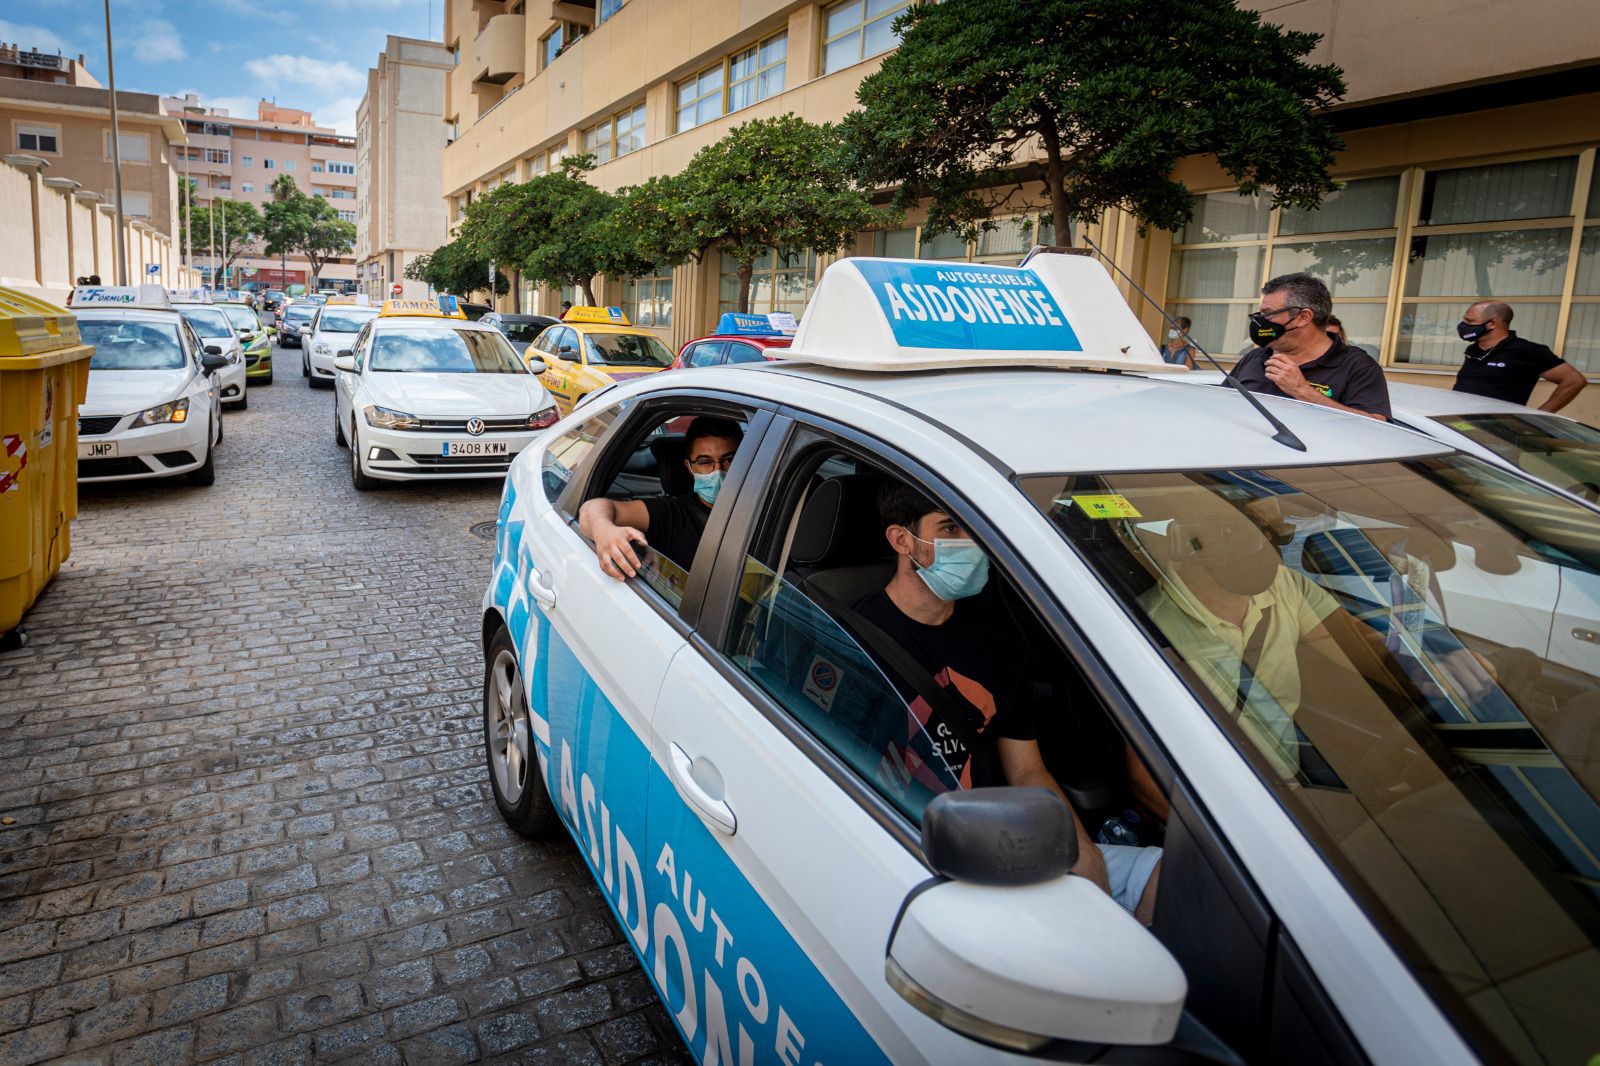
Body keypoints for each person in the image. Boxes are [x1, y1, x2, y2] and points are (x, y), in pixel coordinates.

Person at [853, 482, 1160, 922]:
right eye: (952, 528)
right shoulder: (854, 639)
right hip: (919, 851)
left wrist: (1080, 849)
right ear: (902, 540)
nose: (972, 544)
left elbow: (1027, 768)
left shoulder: (998, 639)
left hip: (1006, 838)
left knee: (1173, 877)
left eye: (976, 527)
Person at [580, 416, 743, 580]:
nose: (718, 470)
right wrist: (604, 531)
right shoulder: (672, 514)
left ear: (746, 460)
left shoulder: (764, 507)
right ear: (689, 467)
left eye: (729, 460)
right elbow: (591, 509)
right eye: (705, 462)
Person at [1231, 273, 1391, 421]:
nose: (1261, 321)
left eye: (1268, 313)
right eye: (1260, 314)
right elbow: (1223, 407)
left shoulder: (1357, 366)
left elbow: (1377, 426)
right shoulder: (1255, 357)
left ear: (1303, 317)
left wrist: (1303, 391)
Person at [1452, 300, 1587, 412]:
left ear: (1492, 324)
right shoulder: (1473, 349)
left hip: (1496, 428)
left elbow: (1574, 381)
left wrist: (1539, 416)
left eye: (1470, 321)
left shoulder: (1526, 350)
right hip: (1459, 422)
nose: (1464, 326)